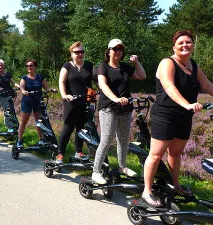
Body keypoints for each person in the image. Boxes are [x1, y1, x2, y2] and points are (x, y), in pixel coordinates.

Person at [141, 30, 213, 207]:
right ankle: (147, 191)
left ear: (192, 46)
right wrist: (187, 104)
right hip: (165, 114)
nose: (185, 45)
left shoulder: (193, 66)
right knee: (156, 154)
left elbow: (207, 85)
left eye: (188, 42)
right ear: (174, 46)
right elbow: (168, 86)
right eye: (180, 43)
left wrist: (188, 108)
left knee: (175, 153)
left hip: (184, 116)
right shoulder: (167, 62)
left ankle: (175, 185)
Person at [92, 39, 146, 184]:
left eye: (120, 49)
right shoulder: (103, 66)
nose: (118, 52)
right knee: (107, 139)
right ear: (108, 51)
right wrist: (115, 99)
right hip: (108, 107)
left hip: (125, 108)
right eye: (115, 49)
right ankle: (96, 171)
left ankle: (122, 167)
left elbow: (142, 76)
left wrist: (136, 62)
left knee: (123, 140)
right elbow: (102, 85)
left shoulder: (125, 67)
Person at [56, 41, 95, 163]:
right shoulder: (67, 66)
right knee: (68, 128)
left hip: (85, 102)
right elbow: (62, 81)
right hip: (71, 102)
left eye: (81, 52)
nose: (80, 54)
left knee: (81, 129)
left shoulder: (89, 65)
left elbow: (98, 79)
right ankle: (60, 154)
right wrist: (64, 95)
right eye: (77, 52)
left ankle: (79, 151)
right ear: (71, 53)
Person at [16, 59, 51, 148]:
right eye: (27, 66)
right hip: (27, 101)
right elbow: (22, 86)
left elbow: (47, 87)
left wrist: (51, 90)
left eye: (31, 65)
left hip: (38, 101)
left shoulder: (39, 77)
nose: (29, 67)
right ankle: (19, 140)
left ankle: (41, 139)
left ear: (35, 67)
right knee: (24, 121)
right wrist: (23, 91)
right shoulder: (24, 78)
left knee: (39, 121)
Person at [0, 59, 20, 135]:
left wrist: (18, 86)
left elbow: (13, 82)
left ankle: (9, 127)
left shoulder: (8, 74)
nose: (0, 67)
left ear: (4, 66)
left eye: (1, 65)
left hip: (6, 95)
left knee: (8, 112)